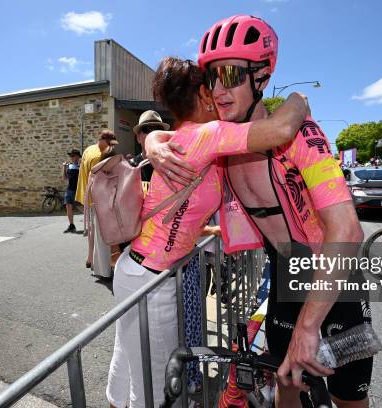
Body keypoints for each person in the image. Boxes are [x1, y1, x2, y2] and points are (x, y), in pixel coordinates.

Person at [146, 15, 368, 408]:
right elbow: (177, 131)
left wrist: (309, 326)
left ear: (261, 76)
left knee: (347, 400)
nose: (218, 90)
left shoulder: (302, 134)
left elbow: (347, 231)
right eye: (210, 78)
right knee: (286, 388)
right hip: (287, 273)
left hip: (335, 281)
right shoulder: (222, 139)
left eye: (230, 74)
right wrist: (152, 142)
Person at [106, 56, 311, 408]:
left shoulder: (180, 137)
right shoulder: (209, 134)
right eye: (214, 86)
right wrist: (300, 99)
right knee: (154, 389)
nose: (220, 93)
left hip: (134, 268)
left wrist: (151, 139)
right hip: (151, 279)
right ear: (203, 94)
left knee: (126, 360)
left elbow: (180, 211)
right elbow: (281, 130)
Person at [75, 130, 118, 276]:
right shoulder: (99, 155)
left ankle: (90, 258)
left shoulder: (89, 149)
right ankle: (101, 263)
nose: (112, 147)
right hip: (99, 198)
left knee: (93, 229)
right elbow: (104, 179)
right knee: (102, 232)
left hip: (88, 196)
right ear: (105, 140)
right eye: (111, 144)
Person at [62, 149, 81, 233]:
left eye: (73, 156)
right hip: (69, 189)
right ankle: (71, 225)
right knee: (68, 206)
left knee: (81, 207)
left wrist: (81, 167)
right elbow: (64, 178)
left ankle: (91, 222)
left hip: (78, 189)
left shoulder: (81, 165)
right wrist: (64, 167)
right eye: (71, 156)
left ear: (77, 156)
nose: (71, 157)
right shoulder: (69, 165)